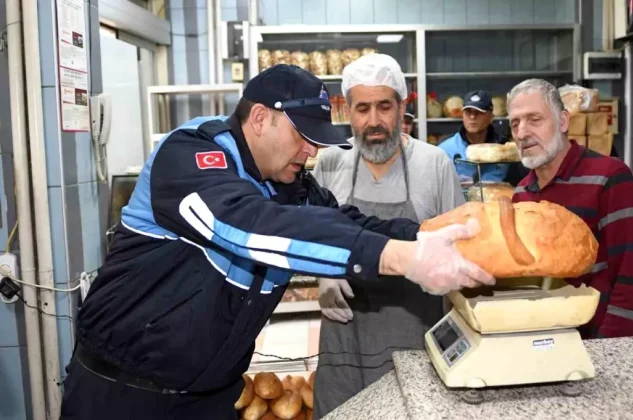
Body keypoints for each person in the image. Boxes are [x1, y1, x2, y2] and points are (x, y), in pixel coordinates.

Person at [59, 64, 494, 420]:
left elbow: (352, 222)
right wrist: (401, 258)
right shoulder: (192, 155)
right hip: (122, 395)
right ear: (261, 118)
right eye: (303, 137)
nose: (311, 153)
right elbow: (247, 225)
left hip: (209, 399)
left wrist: (436, 237)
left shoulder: (291, 186)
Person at [310, 54, 466, 418]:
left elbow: (460, 250)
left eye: (384, 107)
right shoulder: (331, 161)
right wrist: (324, 274)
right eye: (362, 109)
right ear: (347, 110)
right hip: (344, 335)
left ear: (401, 107)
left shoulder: (433, 164)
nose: (374, 121)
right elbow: (311, 233)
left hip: (419, 334)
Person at [507, 78, 633, 339]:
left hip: (599, 343)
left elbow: (632, 277)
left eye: (534, 119)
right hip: (544, 341)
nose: (522, 133)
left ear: (563, 122)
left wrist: (611, 351)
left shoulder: (610, 178)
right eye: (515, 123)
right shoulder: (521, 194)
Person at [437, 89, 528, 186]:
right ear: (462, 116)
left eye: (479, 112)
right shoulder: (444, 150)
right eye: (468, 112)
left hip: (496, 200)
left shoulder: (506, 151)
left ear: (491, 118)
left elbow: (517, 187)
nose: (472, 117)